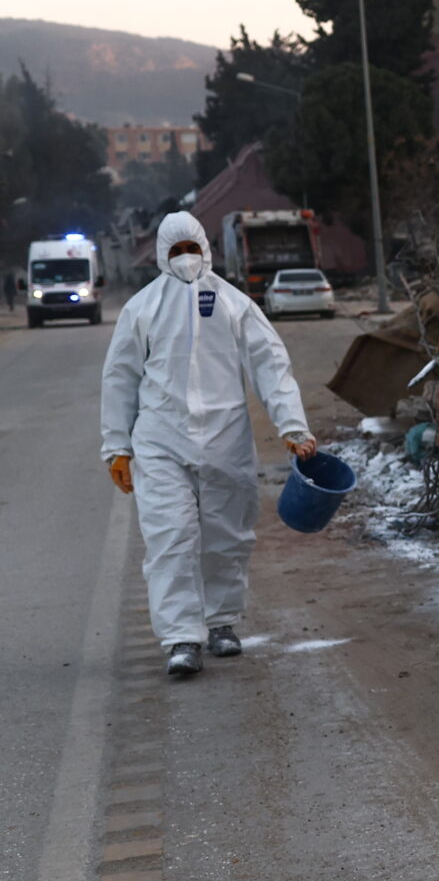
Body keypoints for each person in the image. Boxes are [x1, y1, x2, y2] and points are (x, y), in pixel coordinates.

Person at [100, 212, 316, 678]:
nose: (185, 259)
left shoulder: (234, 304)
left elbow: (270, 365)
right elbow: (120, 378)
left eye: (191, 249)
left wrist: (292, 427)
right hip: (160, 439)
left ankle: (221, 623)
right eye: (175, 252)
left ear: (206, 249)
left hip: (226, 437)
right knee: (170, 538)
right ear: (161, 255)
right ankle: (181, 637)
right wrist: (117, 445)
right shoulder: (142, 308)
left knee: (227, 537)